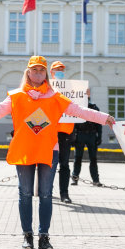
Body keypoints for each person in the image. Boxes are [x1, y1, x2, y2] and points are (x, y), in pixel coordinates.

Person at [0, 56, 114, 249]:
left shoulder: (56, 97)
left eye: (41, 70)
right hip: (24, 150)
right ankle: (28, 236)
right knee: (25, 194)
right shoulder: (16, 96)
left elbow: (79, 111)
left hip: (49, 150)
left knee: (46, 194)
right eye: (35, 69)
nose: (38, 73)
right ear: (28, 72)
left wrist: (104, 118)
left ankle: (44, 236)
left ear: (45, 74)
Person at [50, 60, 74, 203]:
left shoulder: (71, 89)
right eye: (57, 69)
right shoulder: (47, 89)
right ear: (51, 72)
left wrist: (85, 96)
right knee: (49, 163)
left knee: (64, 164)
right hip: (50, 132)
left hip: (65, 132)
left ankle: (64, 194)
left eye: (62, 70)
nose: (60, 72)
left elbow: (77, 107)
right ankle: (46, 191)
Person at [71, 88, 103, 187]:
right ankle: (75, 178)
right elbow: (73, 123)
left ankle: (95, 180)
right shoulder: (77, 107)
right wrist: (73, 137)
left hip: (91, 135)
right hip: (80, 135)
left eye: (87, 93)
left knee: (93, 159)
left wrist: (99, 136)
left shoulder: (94, 107)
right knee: (78, 158)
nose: (86, 95)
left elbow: (99, 123)